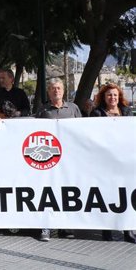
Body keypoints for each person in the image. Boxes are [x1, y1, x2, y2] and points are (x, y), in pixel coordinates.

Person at [89, 83, 135, 243]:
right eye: (109, 95)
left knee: (126, 194)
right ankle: (106, 231)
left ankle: (128, 230)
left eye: (115, 95)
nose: (112, 98)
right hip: (105, 162)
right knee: (107, 195)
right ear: (104, 97)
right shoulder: (97, 113)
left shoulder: (127, 112)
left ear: (119, 96)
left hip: (125, 161)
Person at [35, 78, 79, 242]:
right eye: (53, 88)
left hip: (69, 159)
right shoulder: (43, 110)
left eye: (59, 88)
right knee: (47, 191)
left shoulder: (73, 108)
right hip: (48, 159)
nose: (56, 91)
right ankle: (45, 226)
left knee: (66, 191)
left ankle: (65, 227)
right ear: (49, 91)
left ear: (64, 90)